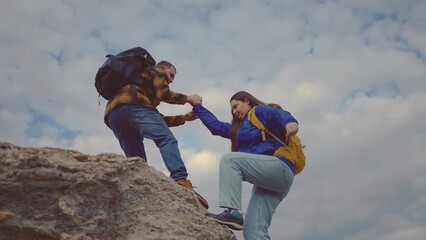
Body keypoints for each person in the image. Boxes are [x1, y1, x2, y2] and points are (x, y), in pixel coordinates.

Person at [191, 91, 298, 239]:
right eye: (232, 110)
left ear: (247, 101)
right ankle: (238, 219)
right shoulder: (239, 129)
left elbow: (277, 114)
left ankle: (232, 212)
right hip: (271, 182)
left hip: (280, 167)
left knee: (230, 160)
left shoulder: (258, 112)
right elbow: (216, 127)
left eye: (236, 106)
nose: (234, 112)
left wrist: (290, 122)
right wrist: (198, 107)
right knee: (253, 231)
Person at [104, 60, 208, 209]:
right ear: (164, 68)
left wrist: (182, 118)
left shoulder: (140, 86)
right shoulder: (157, 70)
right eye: (171, 75)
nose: (171, 80)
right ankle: (181, 179)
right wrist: (189, 99)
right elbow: (164, 94)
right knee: (166, 139)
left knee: (137, 160)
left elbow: (154, 117)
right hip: (134, 106)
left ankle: (139, 190)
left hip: (113, 115)